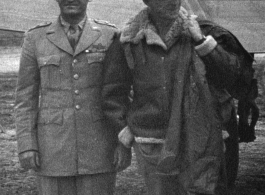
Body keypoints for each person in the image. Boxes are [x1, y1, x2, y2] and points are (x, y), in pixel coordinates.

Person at [102, 0, 255, 194]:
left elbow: (231, 78)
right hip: (152, 145)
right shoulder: (129, 38)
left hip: (199, 142)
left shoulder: (203, 31)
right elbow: (113, 91)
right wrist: (125, 128)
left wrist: (201, 41)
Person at [14, 0, 131, 194]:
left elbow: (120, 92)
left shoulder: (110, 35)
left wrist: (123, 143)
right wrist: (26, 145)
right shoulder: (35, 38)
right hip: (51, 151)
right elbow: (25, 99)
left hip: (100, 149)